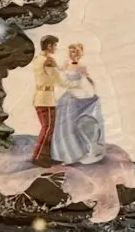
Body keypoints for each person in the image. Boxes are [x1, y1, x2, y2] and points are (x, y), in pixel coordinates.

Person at [53, 43, 107, 165]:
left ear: (78, 53)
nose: (70, 54)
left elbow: (88, 79)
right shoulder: (66, 64)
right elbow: (60, 72)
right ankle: (66, 154)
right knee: (63, 125)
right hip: (67, 96)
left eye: (73, 51)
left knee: (73, 124)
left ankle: (78, 152)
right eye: (70, 51)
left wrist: (94, 90)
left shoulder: (81, 67)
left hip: (76, 95)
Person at [31, 35, 62, 167]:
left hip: (40, 97)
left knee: (48, 128)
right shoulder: (48, 61)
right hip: (46, 99)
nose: (55, 48)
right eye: (54, 45)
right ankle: (39, 157)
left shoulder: (38, 59)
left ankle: (44, 156)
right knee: (48, 128)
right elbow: (59, 81)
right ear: (49, 46)